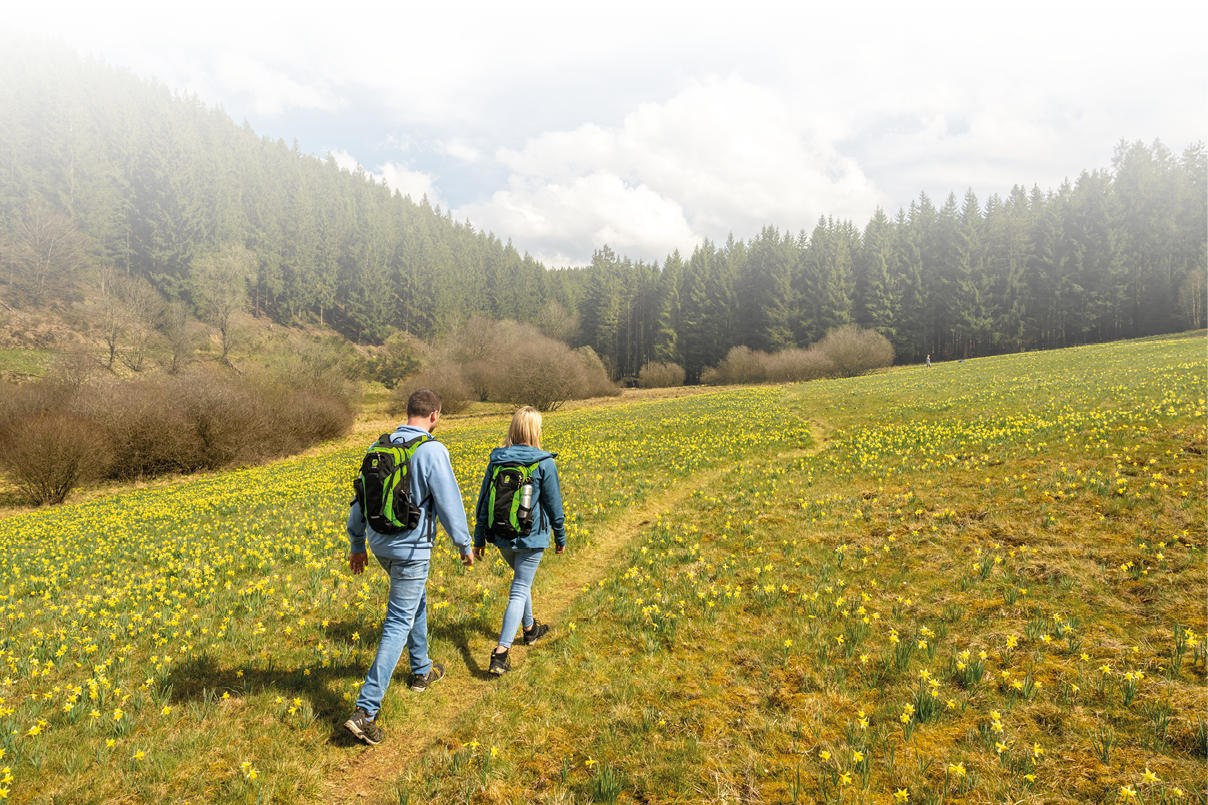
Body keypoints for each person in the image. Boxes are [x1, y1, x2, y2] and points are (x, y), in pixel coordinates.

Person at [343, 389, 474, 746]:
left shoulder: (378, 446)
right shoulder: (432, 449)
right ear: (434, 415)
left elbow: (362, 498)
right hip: (411, 550)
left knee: (415, 603)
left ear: (406, 412)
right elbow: (449, 500)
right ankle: (366, 711)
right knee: (399, 620)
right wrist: (464, 543)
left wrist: (356, 543)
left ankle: (422, 671)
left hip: (379, 544)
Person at [473, 406, 566, 675]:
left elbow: (483, 502)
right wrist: (559, 536)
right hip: (532, 535)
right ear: (535, 430)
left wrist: (479, 538)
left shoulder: (497, 459)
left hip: (501, 535)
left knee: (520, 584)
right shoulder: (543, 461)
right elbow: (554, 506)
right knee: (519, 589)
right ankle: (500, 653)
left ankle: (530, 630)